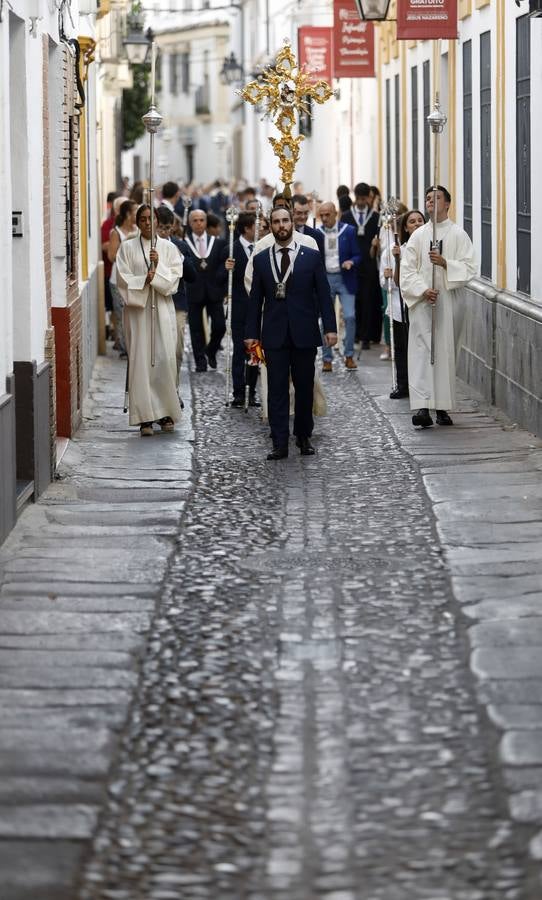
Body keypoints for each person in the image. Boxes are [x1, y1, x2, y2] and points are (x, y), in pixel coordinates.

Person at [245, 206, 337, 460]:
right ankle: (279, 441)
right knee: (276, 388)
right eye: (276, 222)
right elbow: (255, 300)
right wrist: (251, 333)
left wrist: (330, 328)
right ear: (271, 226)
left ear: (292, 223)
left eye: (285, 220)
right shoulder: (261, 259)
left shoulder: (311, 256)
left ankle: (304, 435)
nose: (282, 225)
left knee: (304, 387)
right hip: (274, 334)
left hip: (304, 331)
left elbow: (324, 293)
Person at [400, 186, 478, 428]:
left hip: (449, 303)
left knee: (444, 353)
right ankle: (422, 407)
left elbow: (470, 267)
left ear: (447, 204)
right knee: (422, 353)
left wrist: (445, 263)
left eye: (436, 198)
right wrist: (423, 290)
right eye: (427, 199)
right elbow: (407, 270)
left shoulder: (458, 234)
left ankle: (442, 407)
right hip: (423, 303)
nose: (430, 202)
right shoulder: (418, 236)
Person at [115, 205, 183, 436]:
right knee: (141, 361)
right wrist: (144, 279)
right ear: (137, 222)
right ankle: (145, 417)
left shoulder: (168, 248)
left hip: (162, 309)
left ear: (157, 221)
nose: (146, 223)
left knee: (164, 359)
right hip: (138, 313)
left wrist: (158, 267)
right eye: (142, 219)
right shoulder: (127, 248)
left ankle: (165, 412)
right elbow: (122, 279)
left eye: (150, 219)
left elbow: (174, 279)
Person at [380, 208, 425, 399]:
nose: (417, 224)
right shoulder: (392, 251)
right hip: (400, 307)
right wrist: (387, 276)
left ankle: (420, 385)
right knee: (401, 348)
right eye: (412, 222)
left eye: (420, 220)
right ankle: (403, 384)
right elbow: (385, 284)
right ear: (405, 228)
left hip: (422, 306)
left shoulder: (430, 248)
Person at [220, 212, 260, 408]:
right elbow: (219, 279)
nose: (260, 230)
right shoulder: (231, 250)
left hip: (257, 308)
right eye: (256, 226)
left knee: (254, 351)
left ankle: (251, 391)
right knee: (239, 351)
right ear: (246, 228)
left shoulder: (261, 248)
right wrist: (226, 269)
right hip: (238, 308)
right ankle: (238, 391)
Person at [318, 202, 361, 371]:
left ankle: (348, 354)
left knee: (350, 316)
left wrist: (351, 262)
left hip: (345, 279)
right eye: (321, 215)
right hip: (325, 279)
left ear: (335, 213)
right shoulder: (317, 233)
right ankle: (326, 358)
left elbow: (358, 254)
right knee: (325, 319)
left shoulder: (348, 231)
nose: (324, 218)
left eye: (327, 214)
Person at [156, 206, 197, 382]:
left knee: (176, 348)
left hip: (177, 303)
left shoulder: (180, 246)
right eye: (161, 228)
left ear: (172, 227)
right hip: (155, 302)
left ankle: (174, 386)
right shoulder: (148, 246)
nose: (164, 232)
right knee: (157, 349)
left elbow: (192, 276)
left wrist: (180, 258)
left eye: (167, 228)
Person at [183, 209, 227, 372]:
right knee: (196, 329)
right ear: (190, 223)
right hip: (193, 290)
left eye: (201, 220)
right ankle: (200, 362)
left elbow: (223, 264)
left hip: (214, 291)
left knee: (220, 326)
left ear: (206, 222)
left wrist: (223, 284)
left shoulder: (217, 242)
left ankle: (212, 350)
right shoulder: (184, 243)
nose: (199, 223)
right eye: (195, 220)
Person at [341, 181, 382, 348]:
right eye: (359, 198)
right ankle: (355, 334)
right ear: (355, 197)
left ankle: (365, 336)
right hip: (351, 264)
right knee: (354, 300)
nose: (361, 202)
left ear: (368, 198)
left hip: (369, 264)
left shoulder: (376, 218)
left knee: (367, 300)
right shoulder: (346, 217)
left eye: (364, 199)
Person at [108, 199, 138, 357]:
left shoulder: (138, 230)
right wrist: (125, 246)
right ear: (127, 214)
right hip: (118, 279)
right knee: (122, 313)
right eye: (135, 211)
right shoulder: (116, 232)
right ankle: (125, 347)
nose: (138, 215)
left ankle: (134, 346)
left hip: (135, 279)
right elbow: (111, 256)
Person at [292, 194, 325, 259]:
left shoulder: (317, 236)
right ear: (291, 211)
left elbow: (320, 262)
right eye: (299, 213)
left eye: (306, 213)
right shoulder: (284, 234)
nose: (303, 217)